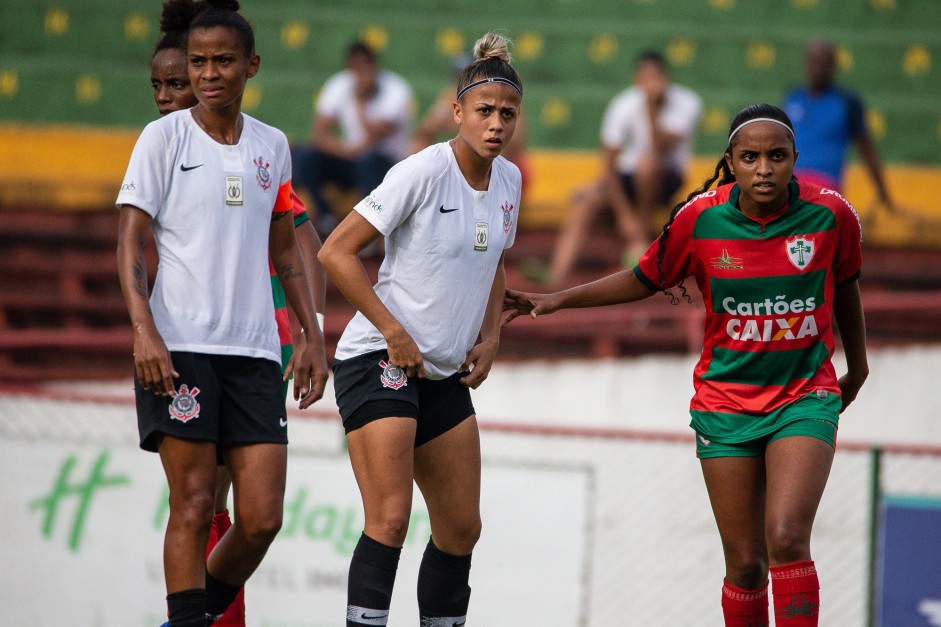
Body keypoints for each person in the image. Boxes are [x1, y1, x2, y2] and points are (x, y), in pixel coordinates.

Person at [505, 103, 869, 627]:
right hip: (725, 404)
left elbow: (848, 286)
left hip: (803, 397)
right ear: (731, 162)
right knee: (745, 565)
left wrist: (857, 367)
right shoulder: (700, 218)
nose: (763, 168)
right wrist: (559, 299)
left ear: (794, 158)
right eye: (750, 157)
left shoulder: (832, 215)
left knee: (787, 536)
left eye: (776, 156)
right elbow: (644, 277)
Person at [116, 1, 329, 625]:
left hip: (257, 351)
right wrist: (144, 333)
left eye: (223, 62)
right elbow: (129, 242)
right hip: (179, 347)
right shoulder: (162, 138)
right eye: (198, 63)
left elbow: (285, 244)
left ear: (251, 66)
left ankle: (188, 618)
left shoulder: (273, 145)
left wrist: (312, 333)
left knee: (263, 518)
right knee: (193, 504)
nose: (209, 74)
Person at [317, 32, 523, 627]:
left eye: (507, 113)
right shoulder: (422, 171)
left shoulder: (508, 181)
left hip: (440, 372)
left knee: (462, 528)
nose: (496, 124)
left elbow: (496, 261)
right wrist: (394, 331)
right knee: (389, 518)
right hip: (378, 357)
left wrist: (491, 337)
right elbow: (336, 252)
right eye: (483, 111)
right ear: (457, 111)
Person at [533, 50, 702, 287]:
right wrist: (624, 215)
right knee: (584, 201)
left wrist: (651, 109)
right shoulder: (623, 104)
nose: (650, 85)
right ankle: (556, 275)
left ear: (666, 78)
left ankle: (641, 240)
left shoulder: (687, 103)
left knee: (648, 163)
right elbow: (609, 163)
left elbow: (661, 147)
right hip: (629, 178)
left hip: (666, 176)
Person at [292, 40, 414, 237]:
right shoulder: (338, 84)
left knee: (368, 161)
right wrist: (344, 151)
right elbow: (319, 136)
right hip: (352, 157)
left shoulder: (396, 89)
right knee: (307, 156)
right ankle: (325, 218)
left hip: (386, 162)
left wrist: (361, 100)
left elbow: (374, 137)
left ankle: (370, 228)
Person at [783, 39, 894, 209]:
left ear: (834, 66)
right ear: (806, 64)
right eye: (814, 62)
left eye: (824, 63)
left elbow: (866, 149)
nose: (819, 69)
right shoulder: (793, 97)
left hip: (825, 190)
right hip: (789, 187)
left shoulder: (847, 101)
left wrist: (883, 195)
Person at [412, 52, 531, 192]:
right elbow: (425, 131)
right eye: (458, 77)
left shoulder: (505, 99)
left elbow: (513, 147)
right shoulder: (451, 97)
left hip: (503, 166)